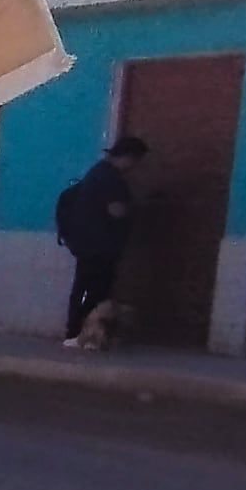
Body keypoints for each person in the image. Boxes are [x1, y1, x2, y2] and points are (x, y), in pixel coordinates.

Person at [55, 136, 147, 346]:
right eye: (135, 161)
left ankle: (79, 333)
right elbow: (116, 211)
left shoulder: (97, 173)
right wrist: (133, 210)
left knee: (86, 288)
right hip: (100, 246)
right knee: (94, 291)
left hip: (90, 244)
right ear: (128, 157)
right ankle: (81, 334)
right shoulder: (110, 178)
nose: (134, 167)